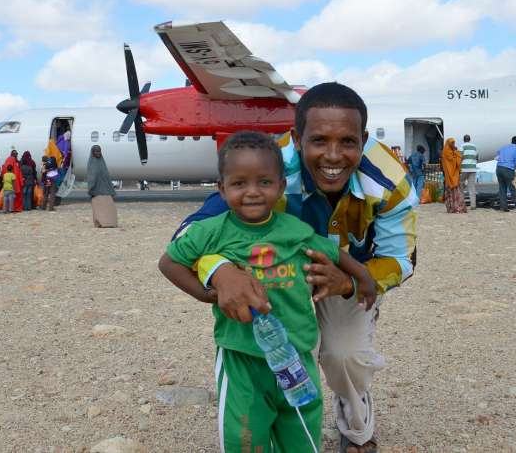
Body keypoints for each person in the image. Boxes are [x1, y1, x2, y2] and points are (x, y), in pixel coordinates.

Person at [173, 82, 417, 453]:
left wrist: (349, 282)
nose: (333, 156)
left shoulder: (390, 182)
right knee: (270, 358)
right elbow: (192, 234)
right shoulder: (264, 168)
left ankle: (355, 423)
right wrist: (222, 270)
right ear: (296, 138)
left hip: (345, 278)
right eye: (318, 140)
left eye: (347, 142)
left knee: (343, 354)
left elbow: (402, 259)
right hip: (274, 282)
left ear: (363, 139)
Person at [159, 131, 377, 451]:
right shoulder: (210, 231)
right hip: (241, 358)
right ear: (221, 189)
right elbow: (169, 263)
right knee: (245, 439)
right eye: (238, 183)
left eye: (264, 182)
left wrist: (363, 277)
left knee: (302, 436)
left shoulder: (294, 230)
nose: (252, 192)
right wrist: (204, 293)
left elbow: (333, 252)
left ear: (279, 186)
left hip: (298, 354)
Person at [87, 145, 118, 227]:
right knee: (98, 209)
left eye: (99, 151)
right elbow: (91, 177)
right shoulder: (92, 164)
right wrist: (91, 189)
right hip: (96, 191)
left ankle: (110, 223)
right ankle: (101, 223)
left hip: (106, 191)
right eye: (96, 151)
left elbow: (106, 176)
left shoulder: (102, 162)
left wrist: (110, 189)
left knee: (108, 208)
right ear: (92, 153)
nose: (98, 153)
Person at [495, 136, 516, 212]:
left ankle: (503, 207)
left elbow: (497, 155)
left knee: (502, 188)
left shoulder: (504, 147)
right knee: (512, 188)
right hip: (508, 169)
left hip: (499, 168)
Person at [440, 138, 466, 213]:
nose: (453, 145)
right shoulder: (449, 153)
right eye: (452, 143)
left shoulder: (445, 152)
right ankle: (457, 208)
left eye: (454, 143)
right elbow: (456, 162)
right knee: (456, 193)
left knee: (451, 193)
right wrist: (457, 153)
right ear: (449, 144)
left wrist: (456, 152)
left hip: (450, 178)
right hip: (453, 177)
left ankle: (451, 208)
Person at [460, 134, 478, 209]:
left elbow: (460, 157)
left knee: (460, 184)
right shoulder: (474, 147)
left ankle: (461, 203)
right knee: (472, 187)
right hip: (473, 168)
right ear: (469, 139)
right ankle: (473, 205)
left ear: (464, 139)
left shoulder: (462, 146)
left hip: (464, 168)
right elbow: (477, 157)